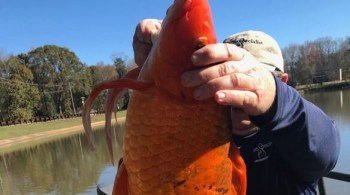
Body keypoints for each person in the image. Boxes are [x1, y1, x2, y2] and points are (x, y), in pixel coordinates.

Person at [132, 19, 340, 195]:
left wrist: (271, 96)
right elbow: (142, 171)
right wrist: (155, 73)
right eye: (227, 77)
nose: (239, 91)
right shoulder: (197, 131)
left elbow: (326, 150)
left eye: (249, 77)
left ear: (282, 83)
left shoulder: (293, 135)